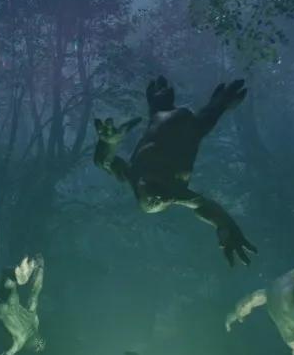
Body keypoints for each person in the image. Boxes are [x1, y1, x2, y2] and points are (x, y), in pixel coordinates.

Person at [94, 76, 256, 266]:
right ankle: (217, 101)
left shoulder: (133, 175)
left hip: (164, 118)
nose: (158, 196)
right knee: (212, 111)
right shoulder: (176, 192)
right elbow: (202, 206)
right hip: (192, 129)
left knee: (166, 98)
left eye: (152, 194)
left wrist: (107, 144)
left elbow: (103, 162)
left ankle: (164, 98)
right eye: (162, 197)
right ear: (170, 197)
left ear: (140, 189)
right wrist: (227, 226)